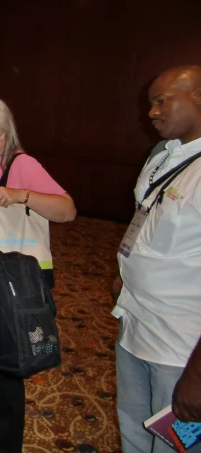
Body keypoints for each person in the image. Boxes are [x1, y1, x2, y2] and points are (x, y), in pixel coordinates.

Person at [0, 98, 76, 453]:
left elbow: (67, 211)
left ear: (10, 135)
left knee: (7, 365)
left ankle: (0, 444)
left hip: (16, 285)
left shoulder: (23, 164)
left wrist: (23, 195)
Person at [111, 65, 201, 453]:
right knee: (134, 429)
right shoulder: (164, 156)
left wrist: (199, 374)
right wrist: (127, 271)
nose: (151, 112)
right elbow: (146, 215)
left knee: (175, 445)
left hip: (180, 347)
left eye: (162, 101)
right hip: (135, 321)